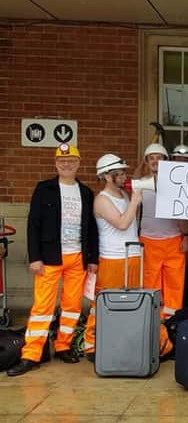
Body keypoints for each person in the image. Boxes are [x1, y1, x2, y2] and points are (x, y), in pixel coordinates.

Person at [7, 144, 99, 376]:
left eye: (71, 160)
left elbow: (92, 229)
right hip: (49, 258)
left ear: (78, 163)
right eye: (62, 160)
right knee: (42, 307)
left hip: (78, 257)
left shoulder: (86, 192)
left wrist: (93, 258)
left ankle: (63, 346)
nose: (66, 164)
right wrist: (35, 257)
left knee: (72, 306)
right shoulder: (44, 189)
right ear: (56, 163)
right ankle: (32, 354)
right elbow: (33, 225)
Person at [83, 154, 145, 361]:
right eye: (119, 174)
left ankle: (122, 343)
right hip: (112, 259)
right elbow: (122, 223)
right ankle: (92, 347)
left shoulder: (124, 196)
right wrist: (136, 200)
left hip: (132, 256)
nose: (124, 177)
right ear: (107, 177)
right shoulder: (102, 200)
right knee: (105, 304)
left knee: (131, 304)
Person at [139, 143, 188, 321]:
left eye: (159, 157)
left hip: (174, 239)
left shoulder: (177, 184)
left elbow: (185, 211)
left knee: (175, 283)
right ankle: (154, 321)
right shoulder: (140, 184)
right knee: (151, 283)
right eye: (151, 158)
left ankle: (172, 321)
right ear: (146, 161)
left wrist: (187, 235)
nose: (155, 161)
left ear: (165, 160)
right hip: (149, 241)